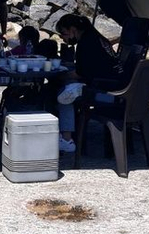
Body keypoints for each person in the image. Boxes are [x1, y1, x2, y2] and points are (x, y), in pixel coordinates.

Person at [53, 13, 125, 152]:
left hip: (107, 95)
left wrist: (60, 74)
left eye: (63, 34)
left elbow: (80, 73)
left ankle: (66, 139)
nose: (63, 38)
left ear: (73, 30)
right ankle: (68, 134)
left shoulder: (85, 44)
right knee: (67, 90)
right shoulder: (96, 37)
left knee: (63, 95)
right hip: (118, 88)